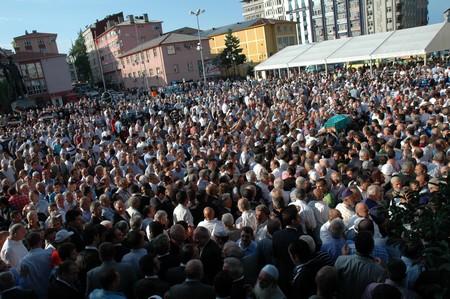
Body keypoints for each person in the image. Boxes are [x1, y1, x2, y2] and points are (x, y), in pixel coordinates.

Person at [334, 231, 386, 299]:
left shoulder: (340, 260)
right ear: (372, 248)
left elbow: (334, 282)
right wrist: (383, 269)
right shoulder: (380, 271)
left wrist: (344, 258)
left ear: (355, 245)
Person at [18, 232, 53, 299]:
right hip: (50, 292)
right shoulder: (50, 253)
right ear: (40, 241)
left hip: (36, 294)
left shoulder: (24, 261)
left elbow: (23, 282)